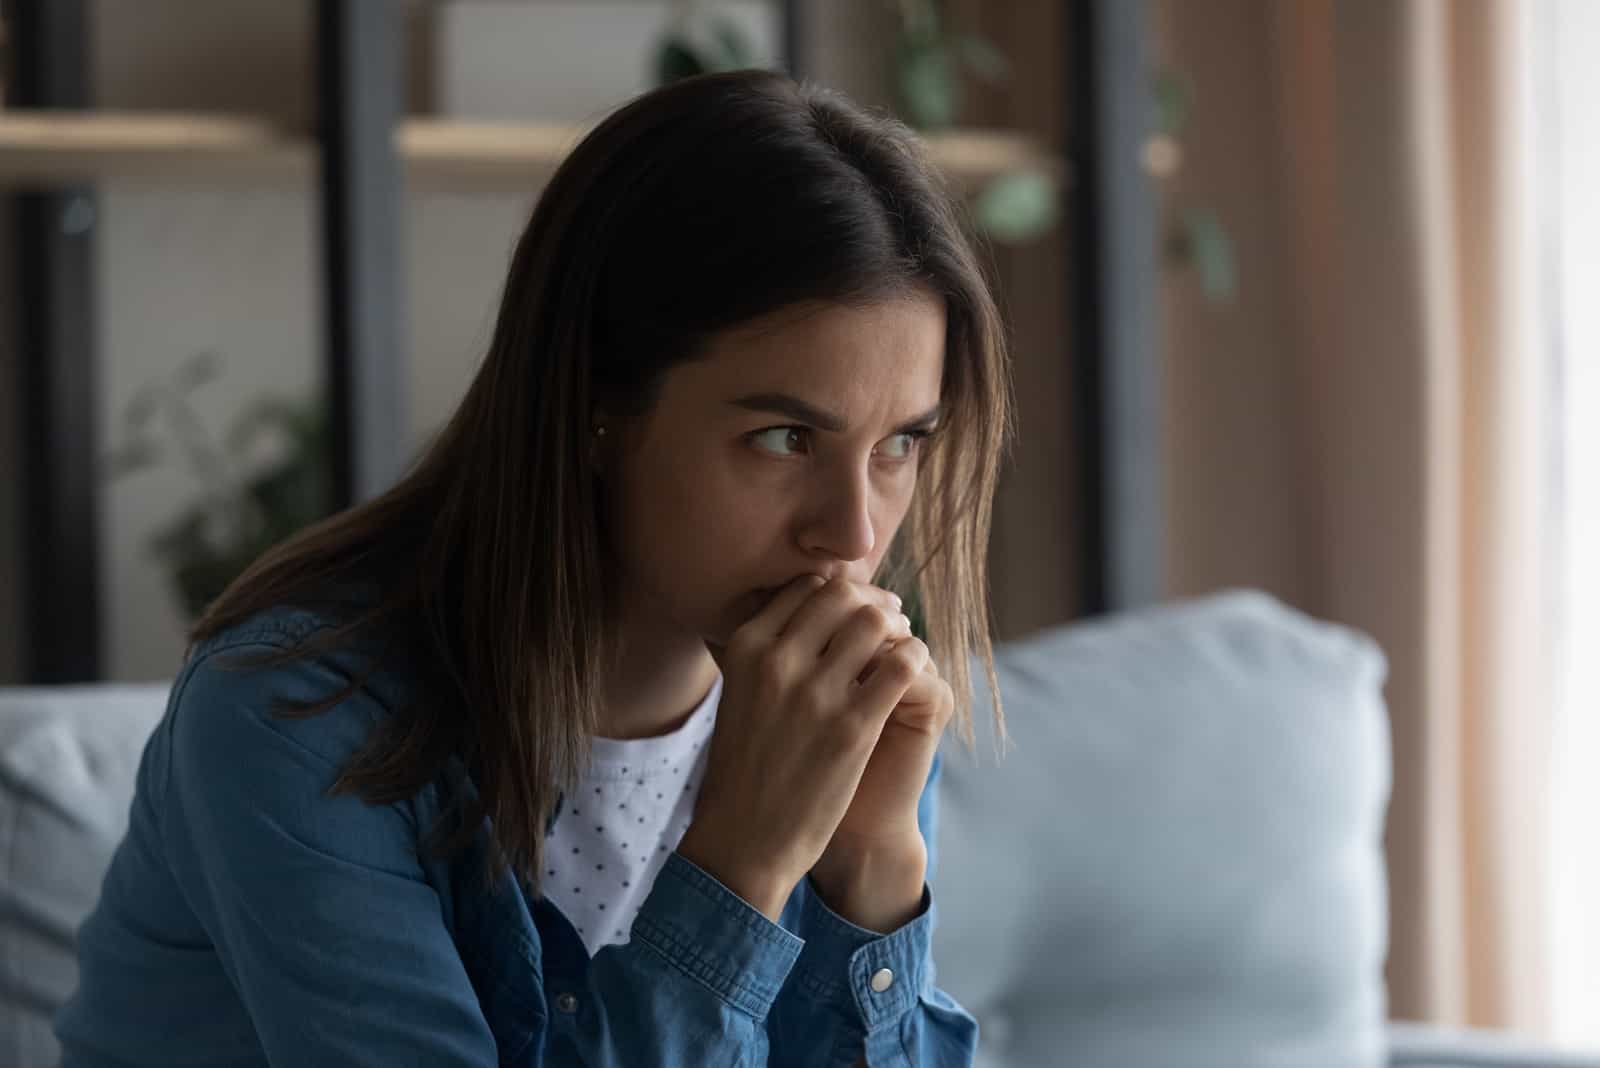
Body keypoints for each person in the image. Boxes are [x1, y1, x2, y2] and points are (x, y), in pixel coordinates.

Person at [55, 68, 1012, 1066]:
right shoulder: (298, 718)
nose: (854, 535)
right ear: (598, 399)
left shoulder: (838, 698)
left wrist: (871, 871)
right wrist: (742, 870)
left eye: (900, 445)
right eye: (782, 437)